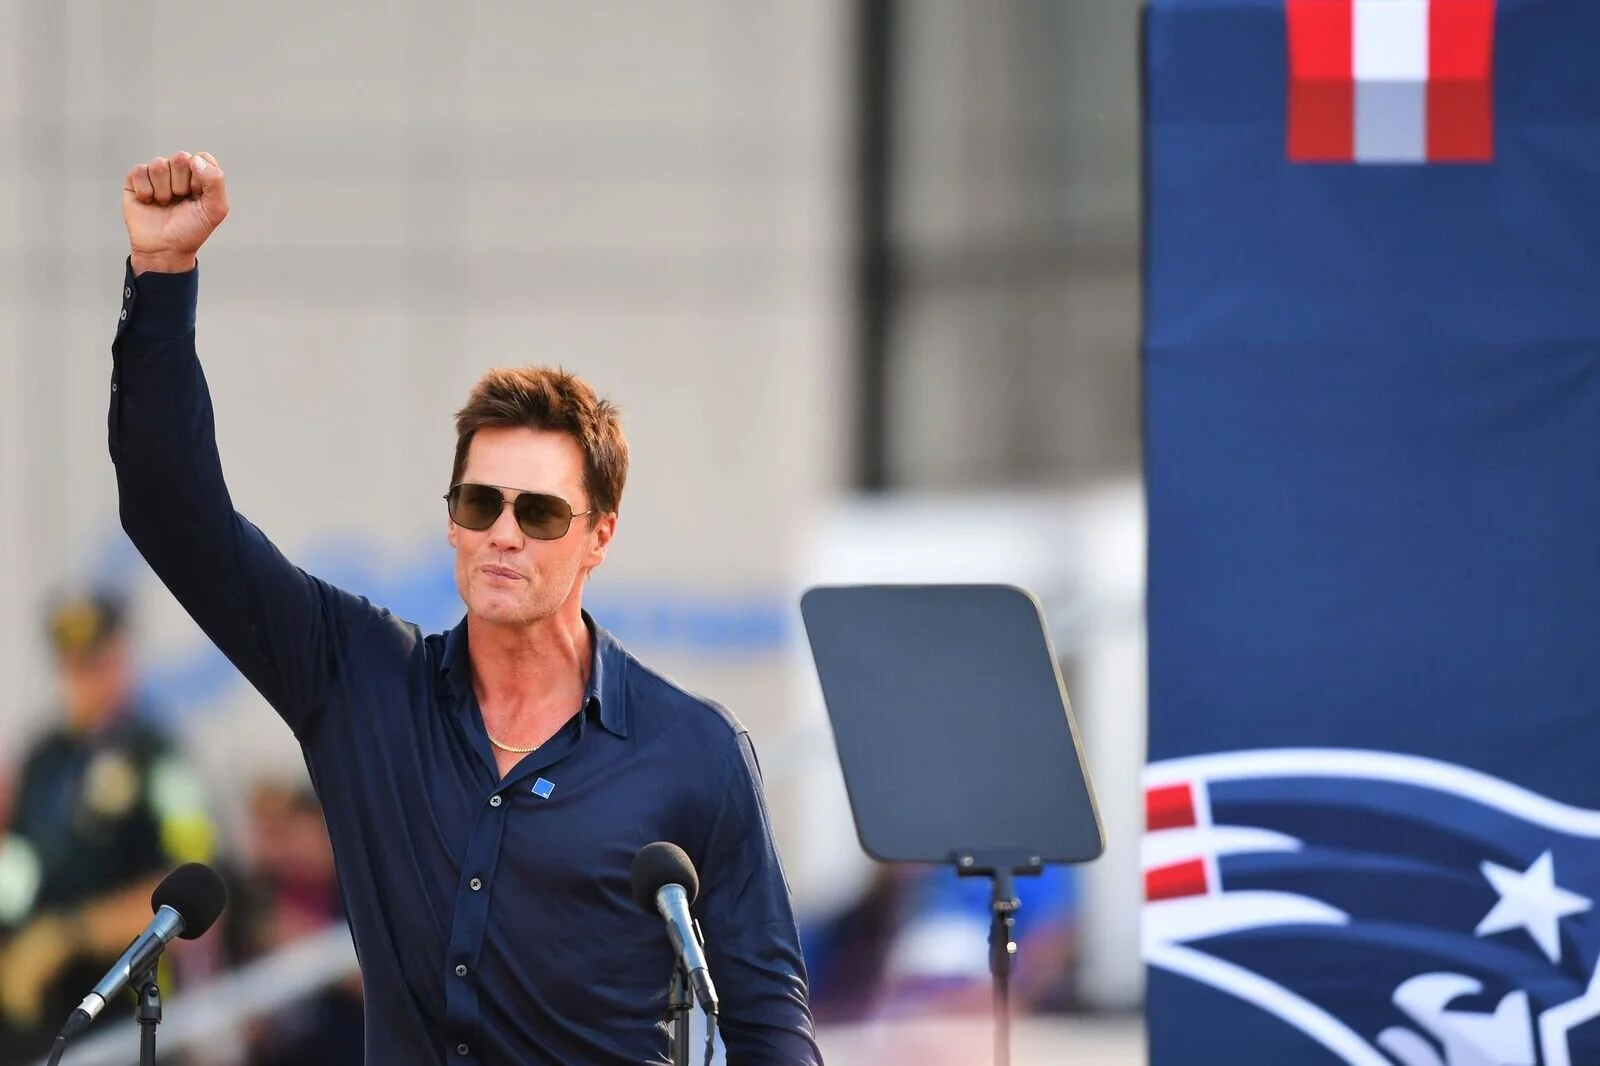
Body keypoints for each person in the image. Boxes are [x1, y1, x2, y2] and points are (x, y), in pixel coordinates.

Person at [109, 150, 822, 1065]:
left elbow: (769, 1029)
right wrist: (163, 274)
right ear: (452, 520)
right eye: (481, 504)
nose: (504, 534)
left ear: (599, 536)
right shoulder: (359, 680)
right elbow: (174, 515)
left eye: (540, 513)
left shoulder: (695, 752)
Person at [0, 591, 217, 1063]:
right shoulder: (44, 757)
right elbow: (16, 873)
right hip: (39, 1014)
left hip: (126, 1007)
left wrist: (67, 936)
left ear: (122, 659)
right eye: (74, 666)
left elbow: (190, 884)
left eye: (98, 662)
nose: (86, 681)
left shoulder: (157, 758)